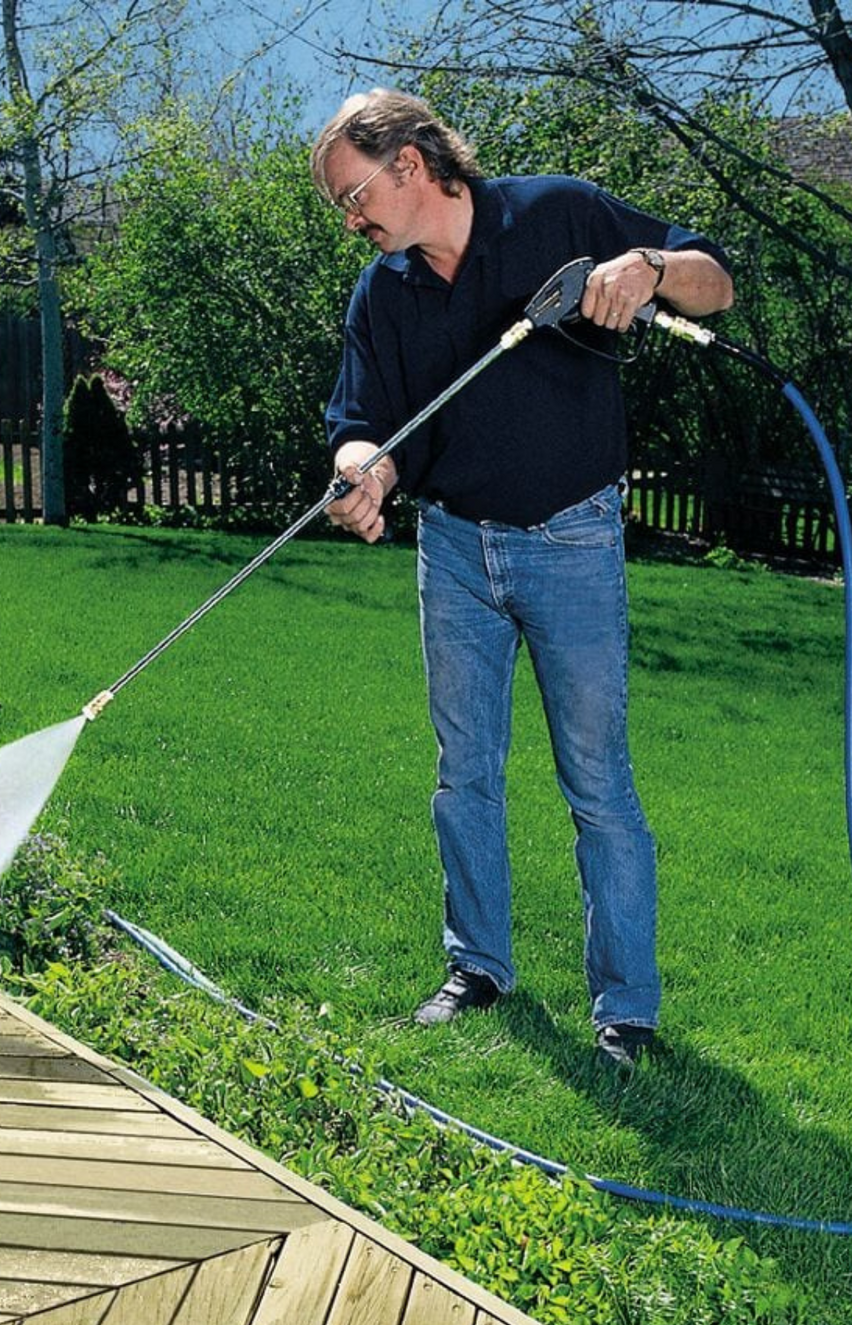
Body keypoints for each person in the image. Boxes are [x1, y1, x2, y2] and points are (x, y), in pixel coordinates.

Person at [312, 89, 734, 1067]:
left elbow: (716, 281)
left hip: (572, 542)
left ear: (411, 163)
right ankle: (479, 967)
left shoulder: (556, 213)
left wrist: (654, 268)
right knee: (465, 774)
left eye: (354, 194)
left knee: (596, 782)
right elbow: (359, 422)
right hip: (453, 549)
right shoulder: (384, 291)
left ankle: (626, 1011)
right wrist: (361, 471)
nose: (352, 219)